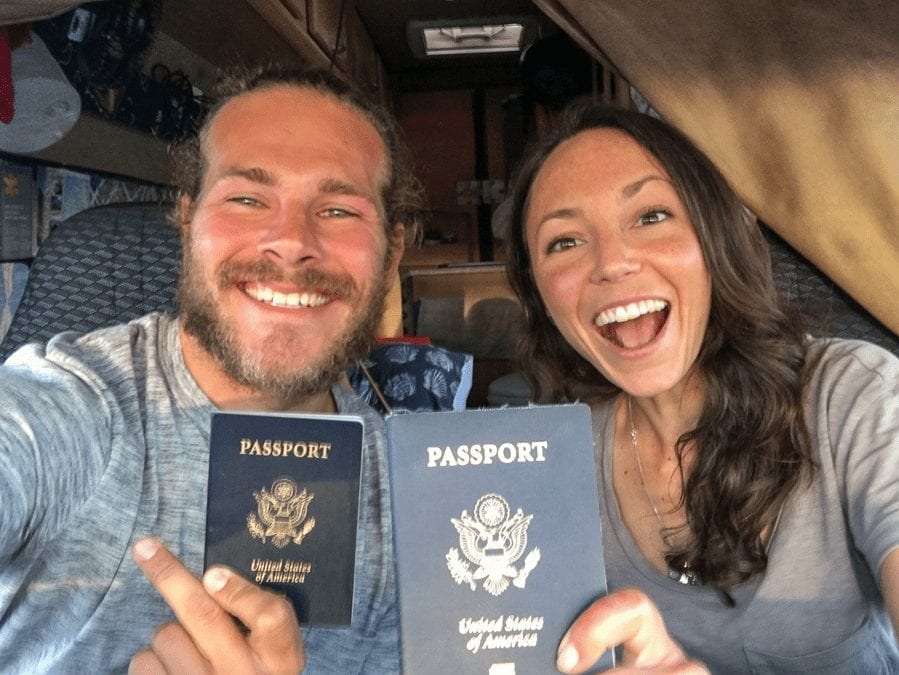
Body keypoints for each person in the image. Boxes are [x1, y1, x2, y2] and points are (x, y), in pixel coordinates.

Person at [0, 64, 422, 673]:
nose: (290, 241)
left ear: (391, 256)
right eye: (248, 199)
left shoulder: (411, 500)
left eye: (338, 211)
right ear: (187, 221)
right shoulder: (76, 402)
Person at [503, 104, 899, 672]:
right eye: (564, 242)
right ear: (540, 296)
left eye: (651, 215)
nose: (612, 263)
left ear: (714, 237)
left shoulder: (855, 398)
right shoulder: (550, 465)